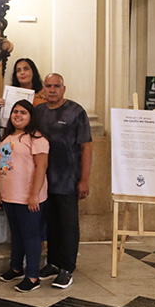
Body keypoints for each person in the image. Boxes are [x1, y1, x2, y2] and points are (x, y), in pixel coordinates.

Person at [34, 73, 92, 290]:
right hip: (44, 180)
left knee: (68, 225)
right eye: (48, 86)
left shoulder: (76, 112)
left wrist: (84, 179)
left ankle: (67, 268)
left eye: (56, 86)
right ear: (43, 89)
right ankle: (53, 262)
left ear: (63, 88)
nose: (52, 90)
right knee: (50, 224)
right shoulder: (38, 112)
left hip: (68, 179)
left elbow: (86, 146)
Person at [0, 100, 49, 292]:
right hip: (10, 194)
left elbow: (41, 167)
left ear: (31, 116)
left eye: (23, 112)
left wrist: (34, 194)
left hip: (28, 196)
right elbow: (2, 164)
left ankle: (33, 276)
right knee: (16, 234)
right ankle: (16, 267)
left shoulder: (37, 138)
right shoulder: (7, 136)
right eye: (15, 111)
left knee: (30, 235)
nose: (18, 115)